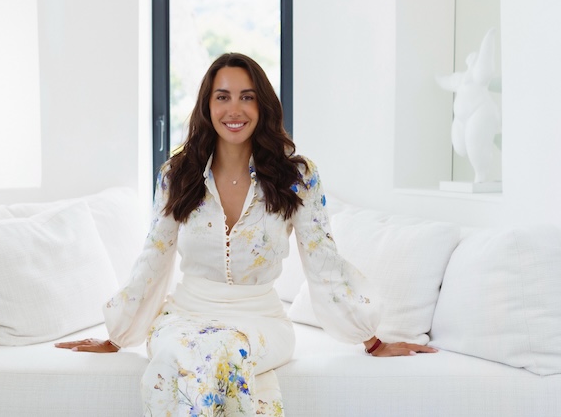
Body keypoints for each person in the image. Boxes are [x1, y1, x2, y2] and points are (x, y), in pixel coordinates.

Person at [56, 52, 437, 416]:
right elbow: (154, 255)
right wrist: (118, 334)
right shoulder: (177, 175)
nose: (234, 109)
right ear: (207, 106)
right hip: (185, 317)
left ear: (263, 106)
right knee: (182, 352)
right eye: (222, 97)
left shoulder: (297, 176)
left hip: (261, 321)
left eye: (247, 97)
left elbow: (322, 258)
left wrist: (370, 339)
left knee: (222, 351)